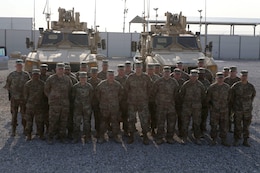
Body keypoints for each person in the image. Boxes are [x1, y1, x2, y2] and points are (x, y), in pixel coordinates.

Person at [44, 63, 73, 144]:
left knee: (63, 121)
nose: (60, 70)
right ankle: (50, 137)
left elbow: (70, 90)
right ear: (56, 70)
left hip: (64, 104)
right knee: (53, 121)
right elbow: (46, 89)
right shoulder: (51, 79)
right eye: (59, 69)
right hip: (54, 105)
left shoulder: (67, 79)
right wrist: (50, 97)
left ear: (64, 70)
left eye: (62, 69)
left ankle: (62, 137)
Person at [125, 61, 152, 145]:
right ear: (135, 68)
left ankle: (145, 136)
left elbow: (150, 88)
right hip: (132, 102)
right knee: (131, 120)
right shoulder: (130, 77)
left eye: (139, 67)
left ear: (142, 68)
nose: (138, 69)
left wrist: (146, 98)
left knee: (144, 120)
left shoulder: (146, 77)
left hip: (142, 102)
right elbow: (126, 89)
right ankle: (131, 135)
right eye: (136, 68)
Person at [152, 66, 179, 144]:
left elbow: (176, 94)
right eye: (165, 72)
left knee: (171, 123)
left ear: (170, 73)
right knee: (160, 123)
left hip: (171, 106)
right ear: (163, 73)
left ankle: (169, 137)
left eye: (168, 72)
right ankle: (159, 137)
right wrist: (156, 103)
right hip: (161, 106)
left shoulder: (174, 82)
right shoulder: (158, 82)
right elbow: (153, 93)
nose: (166, 74)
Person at [5, 59, 31, 136]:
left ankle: (24, 129)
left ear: (22, 66)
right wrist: (12, 93)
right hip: (14, 99)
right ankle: (13, 130)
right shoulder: (11, 75)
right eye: (18, 65)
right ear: (15, 66)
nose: (19, 66)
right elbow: (7, 85)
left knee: (24, 115)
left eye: (20, 65)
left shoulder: (26, 75)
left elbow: (29, 85)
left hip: (23, 99)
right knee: (14, 115)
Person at [96, 70, 123, 143]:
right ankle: (101, 136)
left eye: (112, 75)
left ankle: (115, 136)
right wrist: (102, 102)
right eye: (109, 75)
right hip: (104, 108)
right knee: (103, 122)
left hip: (114, 107)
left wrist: (116, 101)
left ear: (114, 76)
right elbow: (98, 95)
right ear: (107, 76)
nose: (111, 77)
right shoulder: (101, 84)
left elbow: (121, 94)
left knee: (115, 122)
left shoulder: (117, 85)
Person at [180, 69, 206, 145]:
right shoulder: (186, 84)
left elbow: (203, 96)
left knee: (197, 123)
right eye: (192, 76)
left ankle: (197, 138)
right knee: (185, 123)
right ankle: (184, 138)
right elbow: (181, 95)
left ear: (197, 77)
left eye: (195, 76)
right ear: (190, 76)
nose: (194, 78)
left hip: (196, 108)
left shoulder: (200, 85)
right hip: (187, 107)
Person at [231, 70, 256, 147]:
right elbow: (232, 97)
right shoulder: (236, 86)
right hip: (238, 109)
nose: (244, 77)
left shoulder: (251, 86)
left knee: (246, 126)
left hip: (247, 110)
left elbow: (253, 96)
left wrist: (247, 104)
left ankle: (245, 140)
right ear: (240, 76)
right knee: (237, 125)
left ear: (247, 77)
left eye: (245, 76)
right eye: (243, 76)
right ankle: (236, 139)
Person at [207, 72, 231, 146]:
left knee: (224, 125)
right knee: (214, 125)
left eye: (221, 78)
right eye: (219, 78)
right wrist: (211, 107)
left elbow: (230, 99)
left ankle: (223, 139)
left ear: (223, 78)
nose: (220, 79)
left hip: (224, 110)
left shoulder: (227, 87)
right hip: (214, 110)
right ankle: (213, 139)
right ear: (216, 78)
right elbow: (208, 99)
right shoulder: (211, 87)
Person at [71, 72, 93, 143]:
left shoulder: (89, 86)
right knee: (76, 123)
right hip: (78, 108)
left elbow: (91, 96)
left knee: (87, 123)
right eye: (81, 78)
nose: (83, 79)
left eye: (84, 78)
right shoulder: (75, 87)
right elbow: (72, 96)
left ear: (86, 78)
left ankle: (87, 138)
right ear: (79, 78)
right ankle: (76, 138)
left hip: (87, 108)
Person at [24, 69, 45, 141]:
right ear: (32, 75)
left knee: (40, 121)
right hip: (30, 106)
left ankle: (41, 134)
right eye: (34, 74)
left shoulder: (42, 84)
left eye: (37, 74)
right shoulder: (28, 84)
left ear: (39, 75)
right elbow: (25, 95)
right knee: (29, 121)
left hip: (39, 106)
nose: (36, 76)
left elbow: (44, 95)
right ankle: (29, 135)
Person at [224, 66, 241, 132]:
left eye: (234, 72)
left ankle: (237, 129)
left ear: (236, 72)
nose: (232, 73)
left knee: (237, 115)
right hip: (227, 100)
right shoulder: (225, 80)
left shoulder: (239, 80)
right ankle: (229, 128)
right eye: (231, 72)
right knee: (227, 115)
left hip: (236, 100)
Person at [64, 64, 78, 139]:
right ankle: (61, 133)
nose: (67, 71)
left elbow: (77, 89)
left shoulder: (73, 79)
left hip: (71, 102)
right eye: (65, 69)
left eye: (68, 70)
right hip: (62, 102)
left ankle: (70, 133)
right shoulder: (60, 78)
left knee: (71, 118)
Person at [146, 63, 160, 136]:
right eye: (149, 69)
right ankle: (145, 130)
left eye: (151, 69)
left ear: (153, 70)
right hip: (145, 100)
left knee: (154, 115)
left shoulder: (157, 78)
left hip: (154, 100)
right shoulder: (144, 77)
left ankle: (153, 129)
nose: (150, 71)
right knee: (145, 116)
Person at [87, 67, 102, 138]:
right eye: (93, 73)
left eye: (95, 73)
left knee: (97, 118)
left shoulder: (100, 82)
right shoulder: (87, 81)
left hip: (97, 103)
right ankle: (87, 132)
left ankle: (98, 132)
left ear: (97, 74)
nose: (94, 74)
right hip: (88, 103)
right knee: (88, 118)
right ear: (90, 73)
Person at [115, 64, 128, 135]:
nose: (121, 71)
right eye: (120, 70)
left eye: (122, 70)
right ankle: (117, 130)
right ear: (118, 71)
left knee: (125, 116)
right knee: (117, 116)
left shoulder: (128, 78)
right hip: (117, 101)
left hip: (125, 101)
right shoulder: (115, 79)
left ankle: (126, 130)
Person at [172, 68, 185, 137]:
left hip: (180, 103)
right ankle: (171, 131)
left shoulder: (183, 82)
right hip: (172, 103)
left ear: (180, 75)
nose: (177, 75)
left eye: (178, 74)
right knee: (172, 118)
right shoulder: (170, 81)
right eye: (176, 74)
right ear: (173, 74)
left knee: (180, 118)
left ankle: (180, 131)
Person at [197, 67, 211, 133]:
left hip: (204, 102)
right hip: (196, 103)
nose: (201, 75)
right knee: (197, 117)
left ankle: (203, 128)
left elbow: (209, 92)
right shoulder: (195, 81)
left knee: (204, 116)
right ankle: (196, 129)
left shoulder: (207, 82)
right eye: (199, 74)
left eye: (202, 74)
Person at [39, 64, 50, 134]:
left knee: (47, 116)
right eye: (42, 69)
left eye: (45, 69)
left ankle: (48, 129)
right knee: (39, 117)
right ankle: (40, 131)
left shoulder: (49, 78)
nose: (44, 71)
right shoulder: (36, 76)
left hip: (47, 99)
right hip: (38, 99)